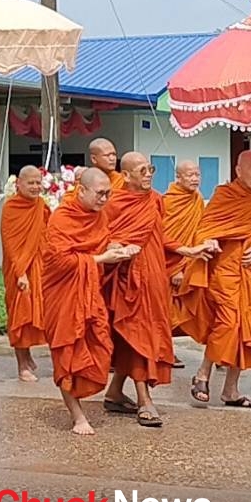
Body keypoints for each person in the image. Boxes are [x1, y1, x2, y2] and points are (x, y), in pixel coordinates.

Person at [41, 168, 136, 436]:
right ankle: (78, 416)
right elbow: (61, 261)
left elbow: (100, 243)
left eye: (108, 193)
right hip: (63, 294)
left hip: (89, 294)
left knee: (100, 346)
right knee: (66, 353)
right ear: (81, 190)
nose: (105, 199)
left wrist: (117, 248)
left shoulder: (99, 215)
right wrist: (101, 259)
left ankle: (93, 396)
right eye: (100, 193)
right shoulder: (62, 217)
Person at [192, 150, 251, 409]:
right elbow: (205, 228)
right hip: (225, 270)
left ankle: (231, 390)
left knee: (246, 328)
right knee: (227, 323)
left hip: (249, 271)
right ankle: (202, 374)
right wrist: (209, 241)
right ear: (239, 171)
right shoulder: (225, 195)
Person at [100, 152, 177, 428]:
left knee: (137, 336)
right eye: (142, 170)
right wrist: (117, 245)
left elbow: (161, 236)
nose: (149, 174)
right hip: (127, 279)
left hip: (154, 278)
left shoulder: (156, 200)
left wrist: (187, 251)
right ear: (127, 175)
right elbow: (102, 237)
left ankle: (115, 392)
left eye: (150, 169)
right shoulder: (114, 203)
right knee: (136, 334)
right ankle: (145, 400)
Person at [0, 165, 50, 382]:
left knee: (39, 313)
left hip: (39, 266)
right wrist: (20, 273)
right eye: (31, 183)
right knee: (20, 316)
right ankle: (22, 366)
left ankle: (27, 355)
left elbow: (49, 232)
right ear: (18, 184)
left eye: (38, 182)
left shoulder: (41, 205)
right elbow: (10, 243)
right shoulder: (11, 207)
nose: (35, 187)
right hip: (18, 269)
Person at [162, 160, 218, 349]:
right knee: (165, 310)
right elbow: (163, 237)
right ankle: (165, 349)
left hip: (191, 263)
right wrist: (175, 270)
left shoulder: (197, 199)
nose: (195, 179)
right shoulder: (167, 201)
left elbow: (197, 232)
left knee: (192, 307)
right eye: (190, 175)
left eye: (198, 175)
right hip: (169, 265)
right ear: (178, 177)